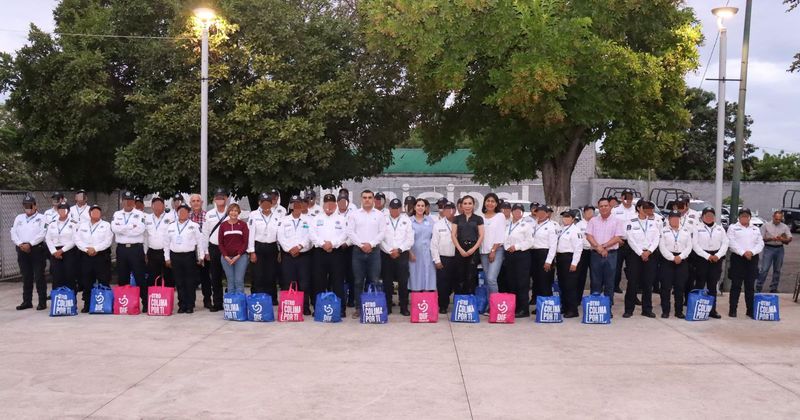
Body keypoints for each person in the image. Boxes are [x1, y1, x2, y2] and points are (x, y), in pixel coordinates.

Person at [346, 190, 386, 319]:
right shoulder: (354, 214)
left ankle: (373, 306)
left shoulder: (379, 215)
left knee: (374, 280)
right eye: (365, 197)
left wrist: (371, 244)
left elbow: (382, 233)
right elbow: (350, 232)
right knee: (358, 281)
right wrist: (362, 245)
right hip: (358, 251)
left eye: (369, 197)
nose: (367, 200)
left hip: (374, 251)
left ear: (374, 199)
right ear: (361, 199)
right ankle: (358, 308)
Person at [309, 193, 348, 311]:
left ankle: (340, 309)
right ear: (323, 204)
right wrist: (323, 244)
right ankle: (319, 308)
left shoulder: (342, 219)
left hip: (336, 253)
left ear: (336, 205)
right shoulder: (316, 219)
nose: (329, 206)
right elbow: (312, 234)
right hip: (320, 253)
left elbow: (345, 235)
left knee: (337, 281)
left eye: (331, 203)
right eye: (327, 203)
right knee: (319, 281)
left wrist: (332, 244)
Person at [622, 200, 660, 318]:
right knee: (632, 282)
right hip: (635, 255)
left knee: (648, 284)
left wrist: (649, 252)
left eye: (650, 208)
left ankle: (647, 309)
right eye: (645, 208)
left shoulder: (654, 222)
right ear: (639, 208)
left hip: (650, 254)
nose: (648, 210)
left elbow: (657, 238)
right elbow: (630, 239)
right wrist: (640, 253)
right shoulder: (631, 222)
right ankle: (629, 309)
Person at [111, 191, 148, 311]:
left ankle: (145, 303)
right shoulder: (117, 214)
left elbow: (140, 230)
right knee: (122, 277)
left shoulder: (140, 214)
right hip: (121, 249)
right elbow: (114, 228)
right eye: (125, 200)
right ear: (122, 201)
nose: (128, 202)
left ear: (134, 202)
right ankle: (124, 303)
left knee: (140, 277)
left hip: (136, 249)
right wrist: (130, 227)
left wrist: (123, 229)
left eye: (130, 200)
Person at [585, 197, 624, 310]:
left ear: (610, 207)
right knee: (595, 281)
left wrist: (604, 246)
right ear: (598, 207)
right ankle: (595, 307)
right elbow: (589, 236)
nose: (603, 208)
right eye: (601, 206)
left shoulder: (617, 221)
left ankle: (607, 308)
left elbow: (617, 237)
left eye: (606, 205)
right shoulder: (593, 221)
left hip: (611, 254)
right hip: (596, 254)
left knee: (609, 282)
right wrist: (598, 248)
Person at [165, 204, 205, 314]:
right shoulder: (171, 226)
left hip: (189, 256)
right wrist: (167, 258)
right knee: (179, 282)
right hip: (175, 256)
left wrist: (201, 257)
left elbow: (200, 242)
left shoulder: (194, 225)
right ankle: (181, 305)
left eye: (184, 212)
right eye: (180, 211)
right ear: (177, 213)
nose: (182, 213)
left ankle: (190, 305)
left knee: (190, 281)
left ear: (188, 213)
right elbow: (166, 244)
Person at [10, 194, 48, 310]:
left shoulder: (42, 218)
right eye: (25, 206)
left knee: (39, 276)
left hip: (36, 249)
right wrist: (20, 244)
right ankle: (27, 301)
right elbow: (13, 232)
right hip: (22, 249)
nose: (28, 208)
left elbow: (43, 233)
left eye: (30, 205)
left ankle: (42, 302)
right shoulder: (19, 218)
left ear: (35, 206)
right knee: (26, 276)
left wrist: (30, 243)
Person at [278, 195, 314, 315]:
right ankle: (290, 306)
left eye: (298, 203)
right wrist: (289, 249)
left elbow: (310, 236)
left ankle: (304, 306)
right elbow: (280, 237)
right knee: (288, 281)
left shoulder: (309, 220)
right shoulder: (284, 220)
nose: (297, 206)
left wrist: (299, 247)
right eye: (294, 203)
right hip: (288, 255)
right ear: (291, 206)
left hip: (304, 255)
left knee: (304, 282)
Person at [74, 205, 113, 312]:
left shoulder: (106, 225)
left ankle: (105, 304)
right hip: (86, 256)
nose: (96, 214)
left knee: (103, 280)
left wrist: (95, 249)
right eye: (94, 212)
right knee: (86, 281)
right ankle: (87, 304)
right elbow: (77, 240)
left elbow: (108, 241)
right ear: (89, 214)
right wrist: (87, 250)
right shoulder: (82, 226)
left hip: (101, 256)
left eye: (98, 212)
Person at [727, 208, 764, 318]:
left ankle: (750, 310)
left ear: (750, 217)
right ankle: (733, 310)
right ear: (739, 217)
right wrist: (743, 253)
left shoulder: (755, 229)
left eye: (746, 216)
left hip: (752, 259)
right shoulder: (733, 228)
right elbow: (731, 243)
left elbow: (760, 243)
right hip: (738, 259)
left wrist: (752, 252)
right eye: (742, 216)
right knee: (736, 286)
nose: (744, 218)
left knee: (750, 286)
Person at [692, 207, 728, 319]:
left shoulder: (719, 228)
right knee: (700, 284)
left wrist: (718, 255)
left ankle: (712, 310)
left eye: (711, 215)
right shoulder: (697, 228)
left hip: (716, 258)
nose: (709, 217)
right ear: (702, 216)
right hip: (702, 258)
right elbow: (695, 245)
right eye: (706, 215)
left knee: (712, 285)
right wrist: (707, 256)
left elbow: (725, 243)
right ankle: (697, 309)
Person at [380, 198, 414, 315]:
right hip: (386, 254)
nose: (395, 210)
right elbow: (380, 238)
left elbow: (410, 240)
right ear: (389, 208)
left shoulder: (406, 220)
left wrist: (399, 250)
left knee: (403, 282)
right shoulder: (383, 220)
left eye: (397, 208)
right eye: (392, 208)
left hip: (402, 254)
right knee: (387, 282)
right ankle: (388, 306)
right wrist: (390, 251)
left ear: (401, 209)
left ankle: (403, 307)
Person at [658, 210, 693, 318]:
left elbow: (689, 247)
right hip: (667, 260)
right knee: (665, 287)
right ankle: (665, 311)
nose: (675, 220)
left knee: (680, 287)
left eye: (677, 218)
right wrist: (672, 258)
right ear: (669, 219)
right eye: (672, 218)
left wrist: (680, 257)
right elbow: (662, 247)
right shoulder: (663, 231)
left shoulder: (686, 231)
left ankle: (679, 311)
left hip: (682, 259)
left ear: (680, 219)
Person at [247, 192, 280, 301]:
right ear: (259, 203)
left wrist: (280, 250)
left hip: (272, 247)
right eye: (263, 202)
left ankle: (271, 298)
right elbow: (250, 233)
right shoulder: (253, 215)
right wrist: (251, 251)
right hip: (258, 247)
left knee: (271, 274)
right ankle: (257, 297)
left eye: (268, 202)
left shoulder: (277, 216)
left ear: (272, 203)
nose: (266, 205)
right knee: (258, 274)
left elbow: (279, 234)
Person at [503, 203, 534, 317]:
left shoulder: (526, 225)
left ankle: (524, 309)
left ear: (522, 213)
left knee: (522, 282)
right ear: (512, 212)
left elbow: (530, 242)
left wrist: (516, 247)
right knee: (511, 281)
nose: (517, 213)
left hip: (522, 255)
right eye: (515, 211)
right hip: (509, 256)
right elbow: (505, 239)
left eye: (519, 211)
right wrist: (507, 248)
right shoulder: (508, 225)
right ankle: (514, 307)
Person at [202, 188, 229, 311]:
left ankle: (230, 301)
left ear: (226, 199)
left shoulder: (231, 212)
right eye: (217, 197)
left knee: (230, 276)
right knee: (216, 276)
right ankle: (218, 302)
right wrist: (206, 251)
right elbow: (205, 233)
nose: (220, 199)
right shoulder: (209, 214)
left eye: (222, 197)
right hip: (214, 248)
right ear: (214, 199)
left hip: (229, 249)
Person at [451, 195, 484, 295]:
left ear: (474, 205)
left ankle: (471, 300)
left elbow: (481, 236)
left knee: (471, 276)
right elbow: (453, 235)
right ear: (461, 205)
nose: (467, 206)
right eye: (465, 203)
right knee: (460, 275)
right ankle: (460, 299)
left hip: (473, 249)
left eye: (470, 203)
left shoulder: (478, 219)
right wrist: (460, 249)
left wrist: (473, 249)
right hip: (460, 248)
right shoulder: (457, 218)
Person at [555, 209, 583, 318]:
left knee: (570, 285)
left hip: (570, 259)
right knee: (562, 284)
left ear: (572, 219)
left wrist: (574, 262)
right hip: (561, 258)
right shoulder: (562, 229)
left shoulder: (575, 231)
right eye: (564, 216)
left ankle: (572, 309)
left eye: (567, 217)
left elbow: (578, 248)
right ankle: (565, 306)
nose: (565, 218)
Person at [45, 202, 79, 291]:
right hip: (54, 252)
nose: (62, 211)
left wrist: (62, 250)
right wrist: (54, 252)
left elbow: (75, 239)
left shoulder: (74, 223)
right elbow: (48, 238)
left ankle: (71, 300)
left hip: (68, 251)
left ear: (68, 211)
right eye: (60, 209)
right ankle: (57, 299)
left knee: (69, 275)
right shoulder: (52, 223)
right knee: (56, 276)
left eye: (64, 209)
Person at [529, 205, 557, 311]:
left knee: (544, 281)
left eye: (542, 212)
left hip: (544, 254)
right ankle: (538, 303)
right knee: (536, 280)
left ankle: (544, 306)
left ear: (547, 214)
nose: (540, 214)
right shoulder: (534, 224)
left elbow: (553, 245)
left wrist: (548, 261)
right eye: (538, 212)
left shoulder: (551, 226)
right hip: (534, 254)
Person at [757, 210, 793, 293]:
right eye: (776, 219)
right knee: (764, 269)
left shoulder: (784, 227)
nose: (778, 221)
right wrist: (771, 238)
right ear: (773, 217)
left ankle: (774, 288)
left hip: (779, 248)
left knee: (777, 269)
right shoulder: (766, 226)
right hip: (768, 248)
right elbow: (761, 238)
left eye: (780, 219)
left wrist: (783, 239)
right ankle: (758, 287)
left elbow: (789, 238)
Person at [431, 201, 457, 313]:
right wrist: (436, 260)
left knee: (456, 283)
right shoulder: (438, 225)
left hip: (457, 258)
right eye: (446, 209)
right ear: (443, 211)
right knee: (442, 284)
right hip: (443, 258)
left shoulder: (459, 222)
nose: (449, 211)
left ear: (455, 210)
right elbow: (434, 244)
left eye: (451, 209)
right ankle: (443, 305)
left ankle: (457, 305)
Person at [218, 203, 249, 295]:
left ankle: (240, 304)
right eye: (231, 210)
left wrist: (238, 255)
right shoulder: (223, 225)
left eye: (235, 211)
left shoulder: (243, 225)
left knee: (239, 281)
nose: (233, 213)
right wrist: (226, 256)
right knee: (230, 281)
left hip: (241, 257)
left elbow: (245, 242)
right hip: (226, 258)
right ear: (228, 212)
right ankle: (231, 304)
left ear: (239, 212)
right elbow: (220, 243)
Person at [479, 193, 506, 295]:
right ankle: (490, 304)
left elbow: (500, 234)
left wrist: (493, 250)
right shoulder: (480, 217)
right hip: (483, 252)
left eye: (492, 201)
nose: (490, 203)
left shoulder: (500, 216)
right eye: (488, 201)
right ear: (484, 202)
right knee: (487, 279)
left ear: (496, 204)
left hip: (496, 250)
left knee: (491, 278)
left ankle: (496, 303)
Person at [612, 189, 637, 294]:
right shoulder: (615, 210)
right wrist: (617, 238)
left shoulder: (636, 210)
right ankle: (614, 287)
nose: (629, 200)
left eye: (630, 198)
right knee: (616, 267)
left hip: (632, 243)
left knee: (633, 269)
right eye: (626, 197)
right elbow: (612, 225)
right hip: (619, 242)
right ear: (622, 198)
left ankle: (632, 292)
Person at [410, 198, 437, 294]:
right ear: (414, 207)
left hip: (428, 254)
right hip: (414, 254)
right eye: (418, 205)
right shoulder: (409, 221)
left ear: (425, 208)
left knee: (427, 276)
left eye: (422, 206)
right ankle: (416, 301)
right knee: (415, 276)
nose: (420, 208)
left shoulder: (431, 221)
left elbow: (434, 238)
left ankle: (427, 301)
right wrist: (410, 253)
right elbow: (406, 238)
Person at [144, 196, 172, 287]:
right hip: (152, 252)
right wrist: (145, 253)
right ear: (152, 206)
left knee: (168, 277)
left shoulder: (170, 217)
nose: (157, 206)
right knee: (152, 277)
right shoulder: (147, 218)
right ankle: (153, 298)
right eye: (155, 204)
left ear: (164, 206)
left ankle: (167, 299)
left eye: (160, 204)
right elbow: (146, 236)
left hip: (166, 252)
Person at [336, 192, 355, 307]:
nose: (343, 203)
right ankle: (338, 299)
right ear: (337, 203)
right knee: (337, 275)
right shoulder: (333, 214)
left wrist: (347, 243)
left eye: (345, 201)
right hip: (336, 248)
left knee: (351, 275)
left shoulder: (353, 215)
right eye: (340, 201)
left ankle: (351, 300)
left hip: (349, 248)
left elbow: (355, 232)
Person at [575, 205, 594, 302]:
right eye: (587, 212)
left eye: (591, 212)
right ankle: (577, 298)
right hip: (582, 252)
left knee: (594, 275)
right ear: (584, 213)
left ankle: (593, 298)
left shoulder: (596, 223)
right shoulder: (579, 225)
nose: (590, 214)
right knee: (581, 275)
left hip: (594, 251)